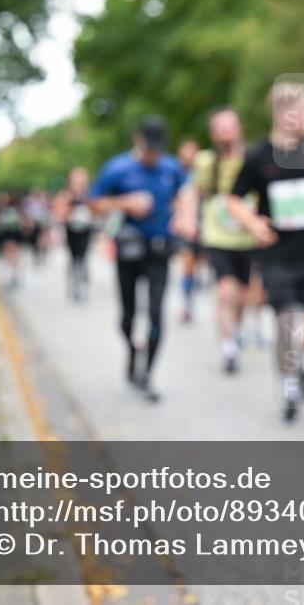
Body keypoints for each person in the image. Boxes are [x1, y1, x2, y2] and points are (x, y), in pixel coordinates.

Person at [227, 83, 304, 422]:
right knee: (284, 323)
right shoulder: (259, 156)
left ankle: (300, 362)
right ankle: (289, 386)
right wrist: (251, 223)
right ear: (283, 114)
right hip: (276, 257)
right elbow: (233, 199)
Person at [89, 117, 187, 402]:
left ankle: (147, 375)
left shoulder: (170, 168)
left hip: (159, 251)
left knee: (157, 312)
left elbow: (186, 194)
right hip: (129, 251)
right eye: (148, 149)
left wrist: (182, 215)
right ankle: (133, 351)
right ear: (137, 140)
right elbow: (94, 204)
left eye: (157, 150)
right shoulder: (117, 168)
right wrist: (126, 203)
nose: (152, 156)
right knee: (128, 315)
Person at [177, 107, 259, 374]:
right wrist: (187, 218)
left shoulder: (254, 158)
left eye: (230, 126)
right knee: (225, 291)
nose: (226, 132)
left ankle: (233, 331)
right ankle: (227, 345)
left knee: (245, 297)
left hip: (248, 238)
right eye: (220, 128)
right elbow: (191, 192)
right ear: (213, 133)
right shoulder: (205, 162)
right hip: (217, 236)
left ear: (239, 129)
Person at [53, 167, 96, 303]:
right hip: (71, 231)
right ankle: (73, 286)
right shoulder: (66, 195)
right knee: (73, 259)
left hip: (86, 231)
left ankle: (83, 286)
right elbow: (59, 212)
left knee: (83, 258)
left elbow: (98, 210)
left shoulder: (90, 195)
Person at [174, 137, 203, 322]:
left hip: (203, 225)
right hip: (184, 227)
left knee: (196, 267)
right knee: (187, 265)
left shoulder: (203, 174)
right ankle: (187, 303)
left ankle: (191, 294)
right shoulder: (176, 175)